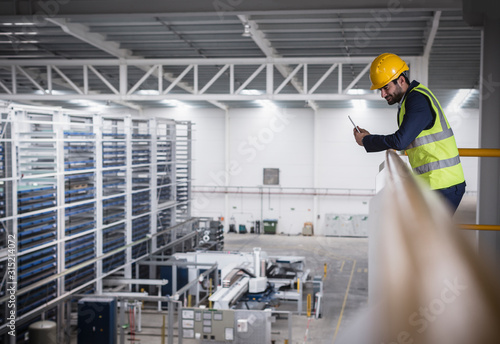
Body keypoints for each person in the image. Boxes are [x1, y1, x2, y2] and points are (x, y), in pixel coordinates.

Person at [353, 53, 466, 213]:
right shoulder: (408, 101)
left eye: (386, 87)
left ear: (401, 80)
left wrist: (366, 140)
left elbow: (400, 141)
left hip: (443, 185)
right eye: (380, 89)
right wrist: (368, 138)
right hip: (434, 184)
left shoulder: (417, 100)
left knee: (426, 236)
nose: (383, 94)